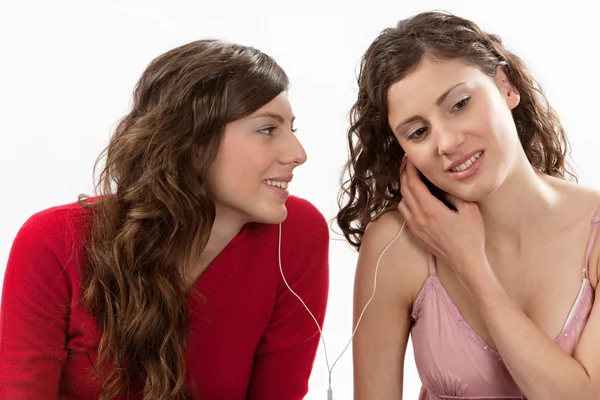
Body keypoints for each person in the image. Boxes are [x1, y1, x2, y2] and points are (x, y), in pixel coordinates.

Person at [0, 39, 329, 400]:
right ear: (190, 142)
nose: (298, 154)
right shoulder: (53, 242)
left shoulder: (295, 234)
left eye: (292, 129)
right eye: (268, 130)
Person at [337, 11, 600, 400]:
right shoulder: (395, 246)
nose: (445, 142)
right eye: (418, 131)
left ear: (506, 86)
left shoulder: (593, 229)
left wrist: (469, 264)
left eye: (459, 104)